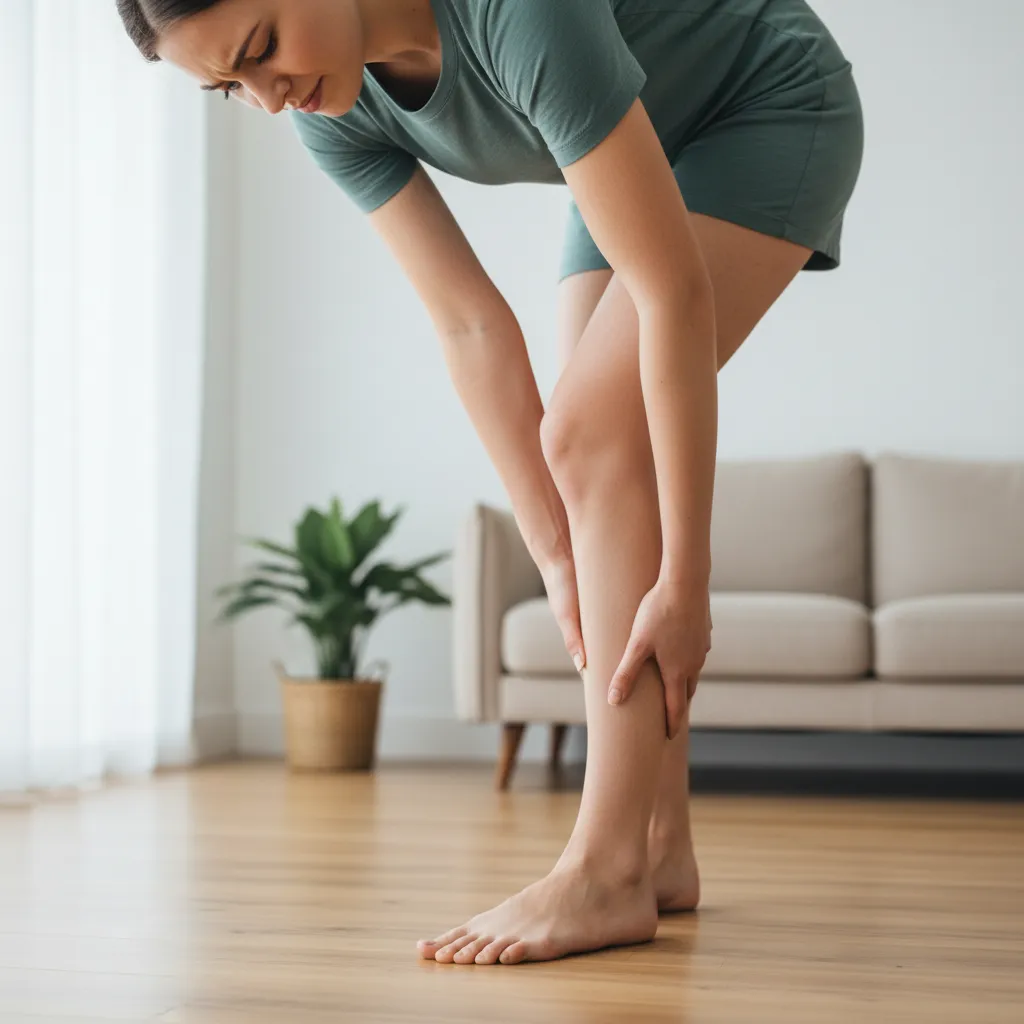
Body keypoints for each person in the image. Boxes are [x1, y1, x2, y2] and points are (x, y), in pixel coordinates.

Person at [119, 0, 863, 966]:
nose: (268, 98)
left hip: (766, 104)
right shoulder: (323, 110)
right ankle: (656, 847)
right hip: (641, 134)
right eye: (230, 87)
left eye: (260, 49)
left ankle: (603, 871)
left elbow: (672, 292)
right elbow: (469, 325)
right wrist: (553, 556)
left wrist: (686, 576)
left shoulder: (517, 12)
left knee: (595, 436)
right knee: (583, 471)